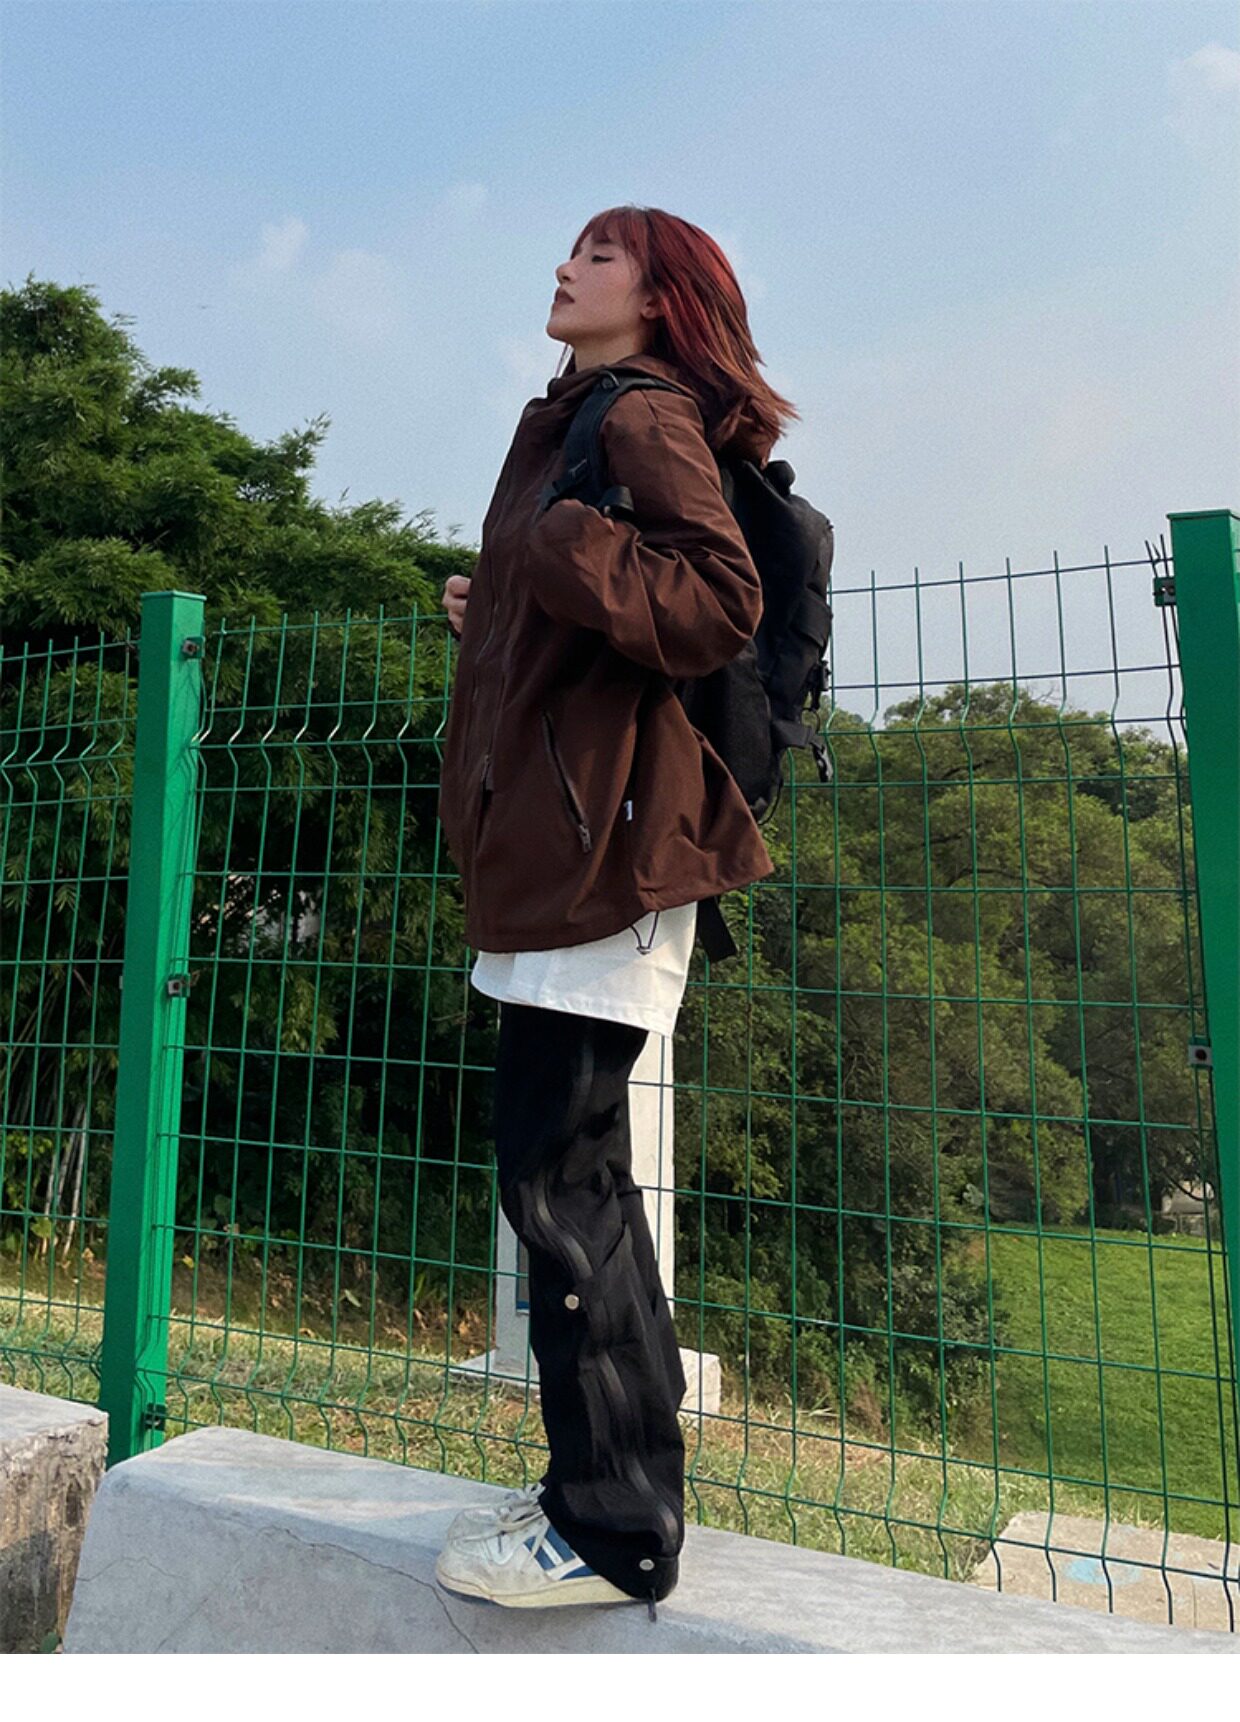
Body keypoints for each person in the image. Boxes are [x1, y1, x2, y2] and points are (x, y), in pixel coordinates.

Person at [432, 205, 798, 1617]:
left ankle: (614, 1524)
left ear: (658, 298)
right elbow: (597, 610)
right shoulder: (577, 419)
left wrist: (563, 544)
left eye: (598, 253)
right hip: (569, 846)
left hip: (612, 852)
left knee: (562, 1177)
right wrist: (506, 607)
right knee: (565, 1175)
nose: (565, 265)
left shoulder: (639, 413)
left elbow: (718, 599)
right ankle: (602, 1490)